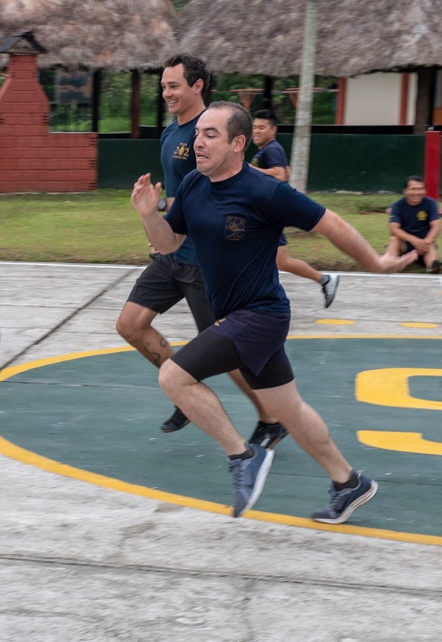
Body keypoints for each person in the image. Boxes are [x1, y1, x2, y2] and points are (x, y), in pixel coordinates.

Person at [130, 101, 416, 522]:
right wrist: (148, 216)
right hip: (241, 316)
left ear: (238, 143)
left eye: (211, 134)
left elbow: (330, 222)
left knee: (174, 375)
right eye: (198, 133)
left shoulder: (265, 191)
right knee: (289, 410)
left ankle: (243, 457)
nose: (198, 141)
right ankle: (348, 483)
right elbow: (170, 242)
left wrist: (375, 264)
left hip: (260, 315)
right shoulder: (193, 185)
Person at [115, 54, 287, 451]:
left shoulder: (213, 131)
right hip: (173, 254)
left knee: (229, 352)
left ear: (198, 86)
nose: (166, 93)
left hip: (206, 263)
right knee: (130, 325)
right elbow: (181, 196)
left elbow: (233, 188)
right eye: (163, 86)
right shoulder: (169, 134)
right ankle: (184, 391)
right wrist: (159, 221)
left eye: (174, 85)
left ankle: (272, 418)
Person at [250, 109, 338, 307]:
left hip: (269, 214)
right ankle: (324, 280)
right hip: (266, 212)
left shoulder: (272, 148)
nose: (256, 131)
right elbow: (287, 172)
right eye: (254, 127)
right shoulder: (268, 149)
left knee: (272, 258)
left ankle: (324, 280)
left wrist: (247, 169)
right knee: (279, 260)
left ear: (273, 129)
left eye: (261, 127)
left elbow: (280, 174)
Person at [387, 175, 442, 274]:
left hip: (425, 244)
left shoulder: (431, 203)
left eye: (420, 189)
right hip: (405, 244)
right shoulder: (397, 205)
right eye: (413, 189)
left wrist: (426, 242)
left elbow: (436, 225)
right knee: (394, 239)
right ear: (405, 191)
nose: (417, 192)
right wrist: (415, 241)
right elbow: (394, 229)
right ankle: (391, 265)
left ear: (424, 190)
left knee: (431, 248)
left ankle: (432, 268)